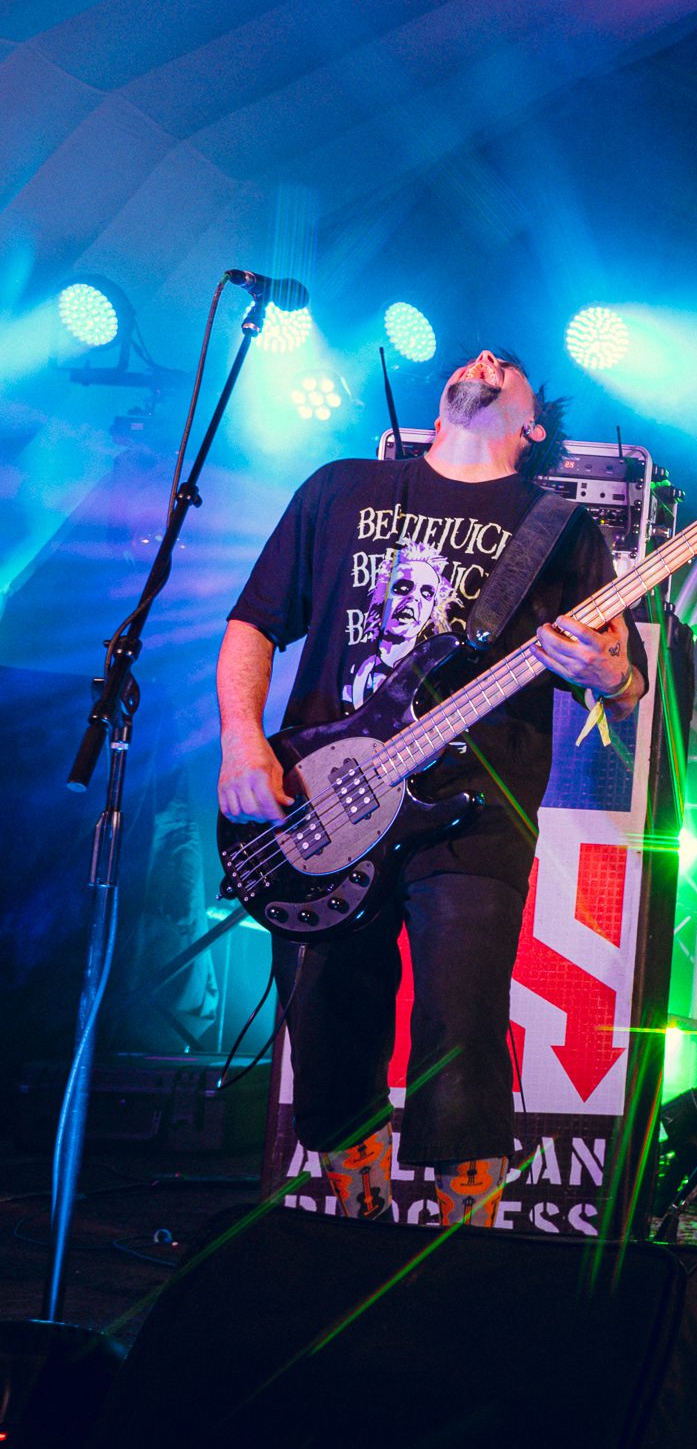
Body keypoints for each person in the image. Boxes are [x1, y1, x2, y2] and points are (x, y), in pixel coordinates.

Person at [217, 350, 645, 1229]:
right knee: (328, 1029)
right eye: (478, 355)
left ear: (532, 427)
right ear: (440, 406)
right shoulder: (341, 487)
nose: (486, 358)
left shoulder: (560, 529)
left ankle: (462, 1269)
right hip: (321, 801)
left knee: (463, 1028)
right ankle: (358, 1235)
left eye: (508, 366)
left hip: (474, 810)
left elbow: (628, 684)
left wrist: (607, 671)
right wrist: (240, 739)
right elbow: (254, 621)